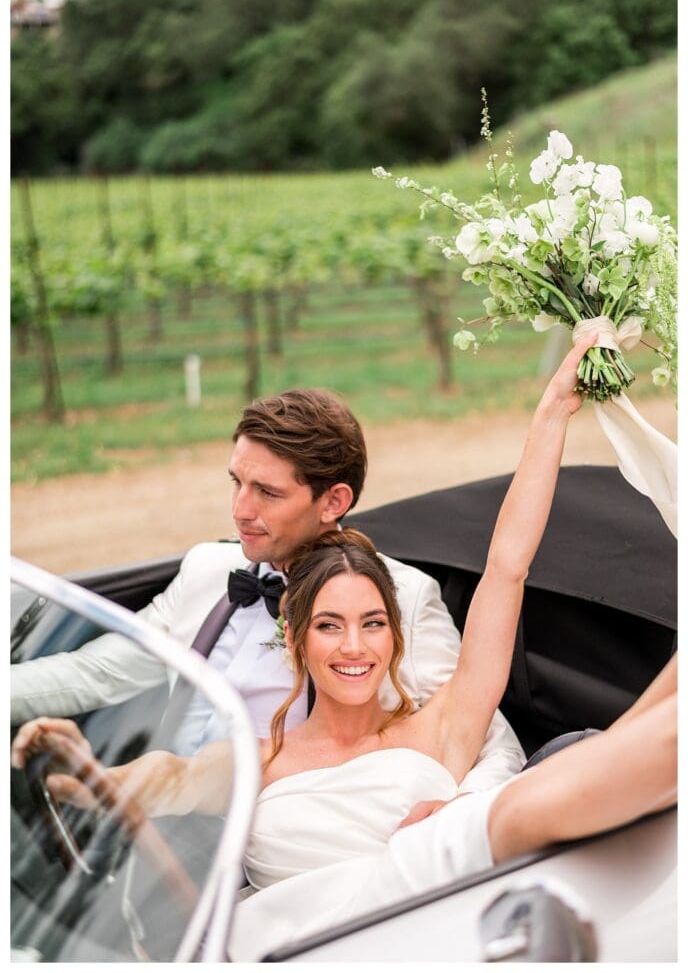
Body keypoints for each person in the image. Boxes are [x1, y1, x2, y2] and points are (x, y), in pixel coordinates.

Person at [12, 335, 677, 961]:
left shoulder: (441, 725)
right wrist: (86, 772)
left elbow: (507, 565)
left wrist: (553, 412)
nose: (355, 646)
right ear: (296, 642)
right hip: (284, 947)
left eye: (373, 624)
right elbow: (163, 782)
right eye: (330, 625)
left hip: (435, 884)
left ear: (396, 634)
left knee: (629, 748)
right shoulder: (259, 758)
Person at [11, 388, 524, 788]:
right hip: (159, 814)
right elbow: (97, 670)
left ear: (332, 501)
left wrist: (451, 815)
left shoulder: (400, 598)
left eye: (267, 492)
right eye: (236, 482)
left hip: (277, 847)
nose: (240, 510)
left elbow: (490, 740)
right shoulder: (207, 569)